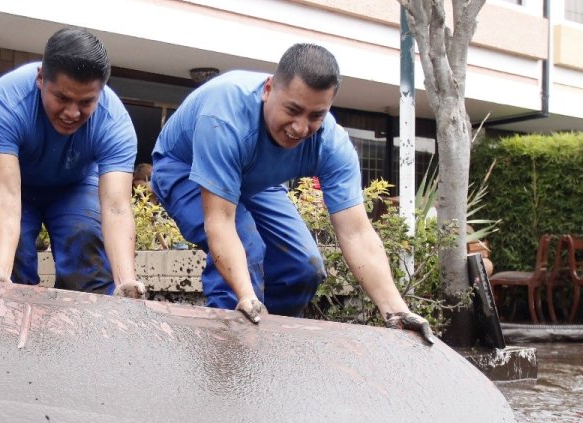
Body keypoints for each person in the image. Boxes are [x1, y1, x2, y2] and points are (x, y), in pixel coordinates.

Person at [149, 43, 434, 341]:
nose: (300, 128)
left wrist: (396, 310)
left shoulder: (331, 145)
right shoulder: (225, 117)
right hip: (184, 167)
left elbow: (356, 232)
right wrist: (247, 298)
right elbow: (220, 222)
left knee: (303, 266)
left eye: (315, 116)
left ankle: (273, 349)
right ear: (268, 89)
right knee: (246, 249)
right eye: (293, 110)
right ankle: (228, 352)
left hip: (255, 180)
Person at [0, 28, 145, 297]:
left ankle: (81, 331)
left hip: (74, 185)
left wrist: (126, 282)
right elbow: (5, 194)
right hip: (13, 183)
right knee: (13, 259)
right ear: (41, 78)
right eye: (62, 98)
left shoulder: (114, 122)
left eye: (86, 102)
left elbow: (116, 208)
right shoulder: (5, 102)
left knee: (85, 237)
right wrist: (3, 276)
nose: (72, 112)